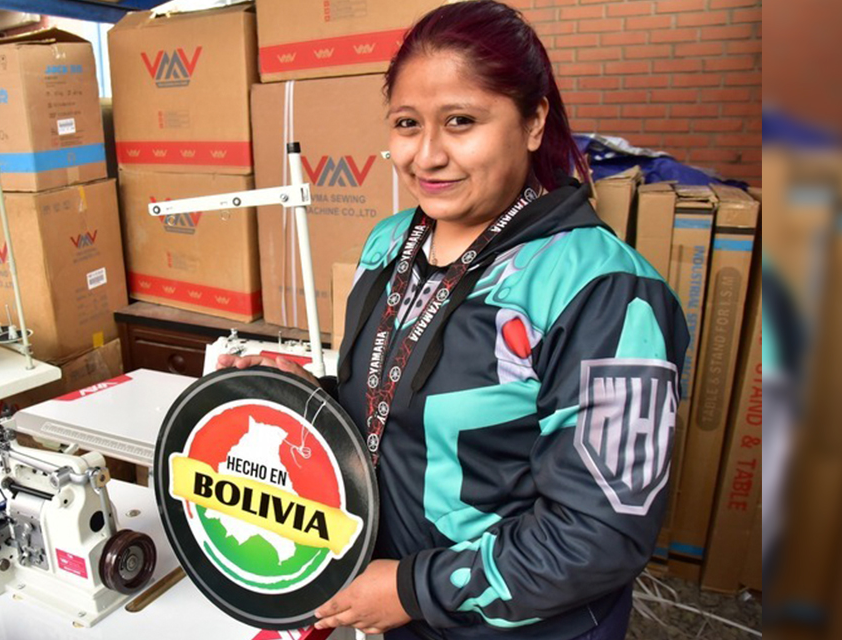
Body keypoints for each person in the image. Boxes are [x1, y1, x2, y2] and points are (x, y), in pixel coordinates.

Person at [218, 2, 688, 639]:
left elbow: (601, 534)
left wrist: (414, 589)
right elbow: (397, 410)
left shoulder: (603, 292)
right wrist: (301, 400)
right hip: (398, 607)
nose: (428, 155)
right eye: (407, 124)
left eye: (461, 122)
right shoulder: (390, 244)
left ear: (532, 122)